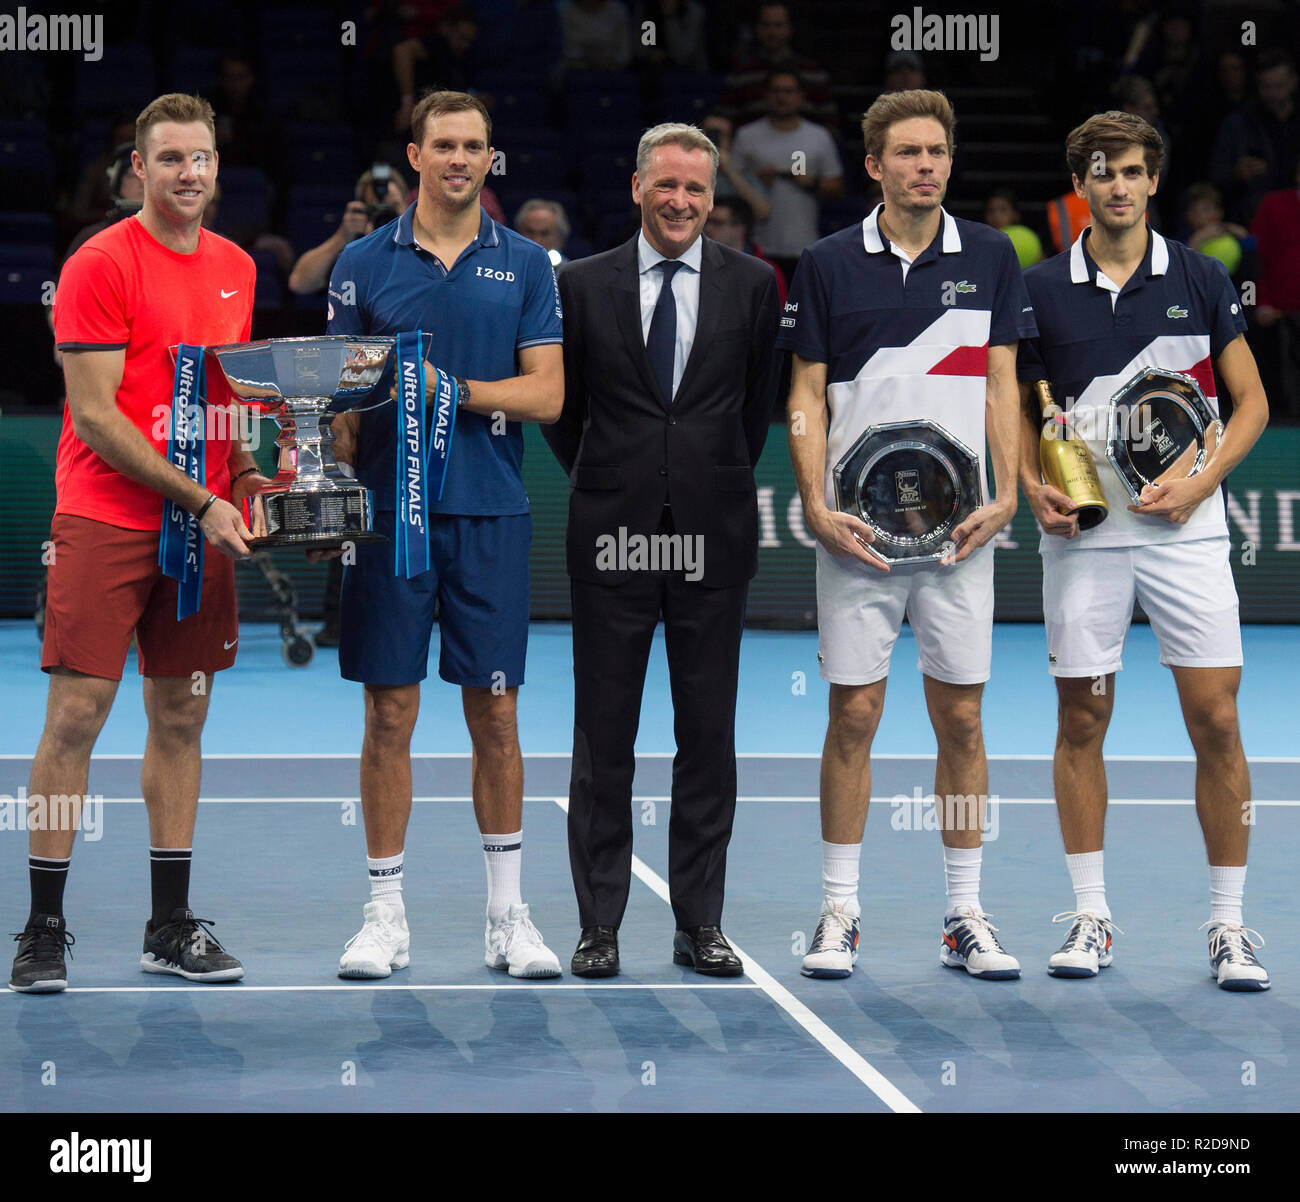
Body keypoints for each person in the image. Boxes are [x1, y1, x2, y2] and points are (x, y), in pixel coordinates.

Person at [777, 89, 1034, 982]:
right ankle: (839, 909)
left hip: (962, 534)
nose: (926, 165)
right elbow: (805, 398)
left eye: (938, 151)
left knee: (961, 715)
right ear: (876, 164)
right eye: (908, 153)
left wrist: (1007, 494)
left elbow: (1004, 386)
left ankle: (964, 913)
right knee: (854, 712)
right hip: (858, 535)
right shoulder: (826, 263)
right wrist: (814, 502)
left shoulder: (994, 257)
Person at [9, 93, 264, 993]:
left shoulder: (237, 267)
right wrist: (202, 499)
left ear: (215, 168)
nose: (188, 174)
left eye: (201, 158)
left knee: (182, 715)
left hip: (197, 520)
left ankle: (169, 925)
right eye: (169, 160)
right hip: (105, 518)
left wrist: (243, 484)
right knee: (75, 718)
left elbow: (228, 404)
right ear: (139, 171)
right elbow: (96, 413)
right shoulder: (98, 263)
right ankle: (42, 928)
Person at [1017, 110, 1271, 990]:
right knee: (1082, 721)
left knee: (1219, 720)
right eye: (1100, 171)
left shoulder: (1200, 278)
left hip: (1187, 532)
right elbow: (1015, 407)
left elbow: (1252, 405)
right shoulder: (1040, 287)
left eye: (1131, 170)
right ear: (1078, 185)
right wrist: (1030, 483)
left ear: (1153, 180)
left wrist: (1201, 486)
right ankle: (1090, 916)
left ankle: (1230, 926)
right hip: (1088, 537)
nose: (1117, 185)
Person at [324, 90, 565, 980]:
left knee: (494, 714)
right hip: (389, 521)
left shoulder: (529, 264)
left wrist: (453, 393)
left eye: (475, 147)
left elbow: (546, 394)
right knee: (389, 712)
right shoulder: (360, 263)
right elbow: (338, 402)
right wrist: (326, 479)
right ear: (416, 156)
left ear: (488, 159)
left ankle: (507, 919)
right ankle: (385, 915)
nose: (460, 159)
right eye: (445, 145)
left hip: (490, 517)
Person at [543, 122, 779, 979]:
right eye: (666, 185)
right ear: (638, 186)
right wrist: (614, 479)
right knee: (604, 740)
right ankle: (598, 925)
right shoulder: (579, 284)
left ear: (713, 199)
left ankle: (699, 924)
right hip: (611, 536)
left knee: (707, 738)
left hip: (712, 541)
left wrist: (700, 479)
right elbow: (565, 414)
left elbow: (754, 412)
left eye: (696, 189)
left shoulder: (755, 285)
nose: (680, 201)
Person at [731, 69, 844, 282]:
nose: (781, 97)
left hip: (803, 244)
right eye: (775, 91)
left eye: (788, 91)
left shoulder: (818, 136)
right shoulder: (747, 136)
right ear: (765, 96)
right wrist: (754, 182)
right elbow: (728, 187)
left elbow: (838, 188)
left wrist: (812, 182)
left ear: (801, 96)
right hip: (756, 244)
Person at [288, 165, 408, 295]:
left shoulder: (423, 244)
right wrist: (342, 236)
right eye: (377, 208)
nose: (385, 216)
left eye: (392, 207)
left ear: (407, 206)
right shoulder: (351, 251)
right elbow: (298, 283)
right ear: (363, 210)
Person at [719, 2, 834, 129]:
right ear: (757, 28)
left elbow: (830, 124)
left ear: (790, 28)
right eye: (766, 25)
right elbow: (723, 123)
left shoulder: (813, 73)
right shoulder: (740, 75)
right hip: (750, 146)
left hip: (806, 148)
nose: (772, 32)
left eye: (778, 25)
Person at [705, 193, 787, 305]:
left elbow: (778, 316)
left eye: (717, 223)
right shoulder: (699, 263)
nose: (708, 228)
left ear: (740, 228)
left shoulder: (766, 271)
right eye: (707, 222)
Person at [984, 188, 1043, 269]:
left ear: (1015, 214)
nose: (996, 216)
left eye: (1003, 210)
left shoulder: (1027, 241)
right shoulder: (980, 244)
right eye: (991, 211)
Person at [514, 197, 572, 265]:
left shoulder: (570, 273)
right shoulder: (502, 270)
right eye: (529, 232)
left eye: (545, 234)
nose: (536, 241)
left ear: (560, 238)